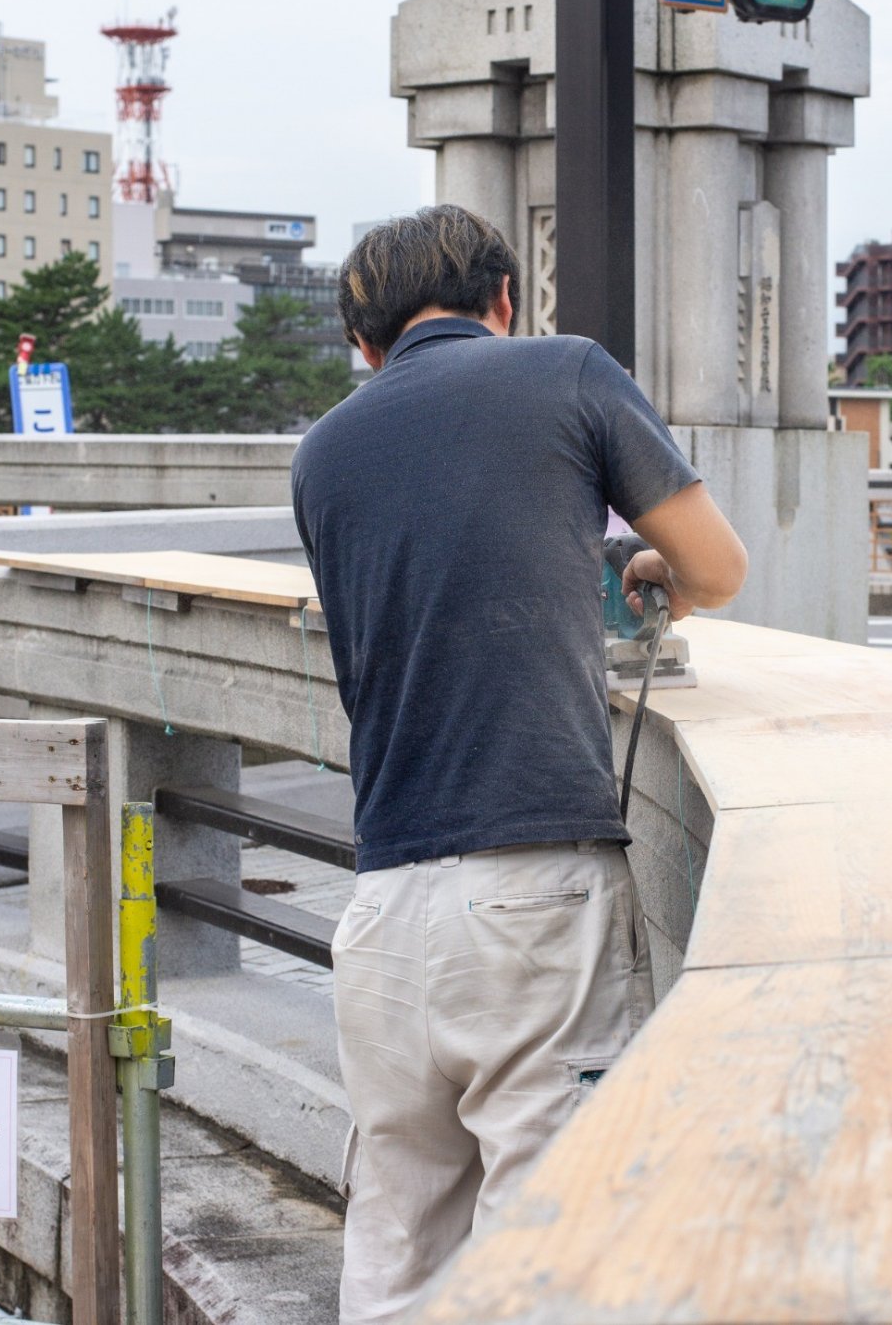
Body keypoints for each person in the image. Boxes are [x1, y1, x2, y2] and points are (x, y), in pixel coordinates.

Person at [291, 205, 747, 1323]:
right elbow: (718, 568)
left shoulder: (323, 452)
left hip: (383, 907)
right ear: (503, 300)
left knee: (397, 1243)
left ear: (366, 344)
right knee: (547, 1252)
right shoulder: (569, 374)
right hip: (533, 889)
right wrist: (652, 568)